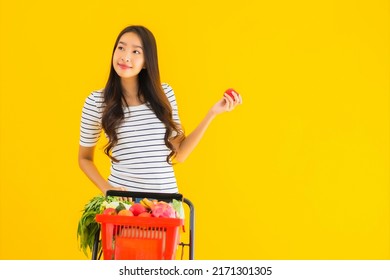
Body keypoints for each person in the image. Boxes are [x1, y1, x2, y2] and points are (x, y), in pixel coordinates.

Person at [78, 25, 242, 195]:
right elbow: (84, 158)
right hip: (122, 206)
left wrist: (212, 113)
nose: (125, 57)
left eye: (136, 52)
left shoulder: (164, 94)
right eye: (121, 48)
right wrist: (108, 189)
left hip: (165, 205)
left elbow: (180, 154)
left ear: (146, 62)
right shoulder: (97, 101)